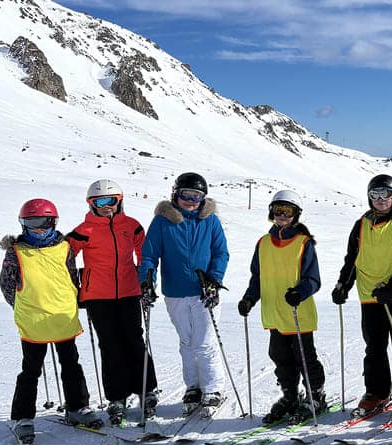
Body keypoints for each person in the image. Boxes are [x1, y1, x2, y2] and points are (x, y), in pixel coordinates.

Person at [0, 199, 102, 443]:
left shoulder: (64, 247)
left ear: (53, 222)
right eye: (31, 222)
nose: (38, 228)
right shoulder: (16, 252)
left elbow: (70, 276)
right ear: (23, 224)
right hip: (33, 319)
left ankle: (77, 407)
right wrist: (23, 306)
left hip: (62, 316)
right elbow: (7, 285)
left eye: (43, 222)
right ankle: (22, 417)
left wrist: (75, 299)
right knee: (31, 369)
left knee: (71, 363)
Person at [332, 175, 392, 417]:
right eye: (375, 194)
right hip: (369, 295)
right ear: (369, 197)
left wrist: (391, 288)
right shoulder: (361, 224)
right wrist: (343, 285)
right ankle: (378, 392)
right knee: (374, 346)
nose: (380, 200)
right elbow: (352, 259)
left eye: (386, 194)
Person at [67, 179, 157, 425]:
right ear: (91, 204)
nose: (106, 206)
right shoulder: (84, 230)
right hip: (98, 296)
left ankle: (146, 390)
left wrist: (146, 281)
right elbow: (62, 254)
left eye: (111, 201)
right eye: (100, 202)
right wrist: (76, 283)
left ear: (120, 201)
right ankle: (116, 397)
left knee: (134, 340)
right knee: (109, 344)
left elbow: (145, 254)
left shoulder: (131, 226)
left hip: (129, 291)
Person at [138, 173, 229, 412]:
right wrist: (147, 282)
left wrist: (214, 279)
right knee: (187, 342)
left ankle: (213, 389)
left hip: (204, 292)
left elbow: (221, 253)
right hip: (176, 292)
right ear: (175, 194)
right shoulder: (162, 222)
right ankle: (193, 387)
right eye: (186, 195)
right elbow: (149, 255)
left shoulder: (210, 221)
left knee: (204, 343)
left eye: (197, 196)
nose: (191, 201)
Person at [238, 190, 326, 424]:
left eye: (288, 211)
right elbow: (257, 278)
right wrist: (249, 299)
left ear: (296, 215)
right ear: (271, 213)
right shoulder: (263, 243)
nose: (282, 216)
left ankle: (316, 395)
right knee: (279, 357)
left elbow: (313, 279)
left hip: (298, 313)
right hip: (274, 313)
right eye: (278, 210)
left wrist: (300, 291)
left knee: (304, 357)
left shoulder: (303, 243)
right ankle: (290, 395)